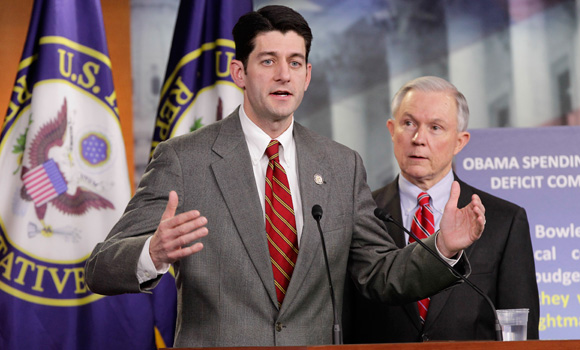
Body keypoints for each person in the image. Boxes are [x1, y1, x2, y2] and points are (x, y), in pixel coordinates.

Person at [85, 8, 486, 348]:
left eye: (295, 62)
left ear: (307, 75)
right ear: (239, 72)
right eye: (268, 61)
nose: (283, 75)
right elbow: (100, 267)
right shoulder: (184, 159)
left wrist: (443, 247)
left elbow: (379, 274)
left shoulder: (341, 165)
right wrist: (151, 253)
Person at [343, 76, 539, 343]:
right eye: (408, 123)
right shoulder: (360, 214)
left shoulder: (504, 220)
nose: (418, 138)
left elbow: (520, 332)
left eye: (435, 127)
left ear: (460, 141)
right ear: (391, 129)